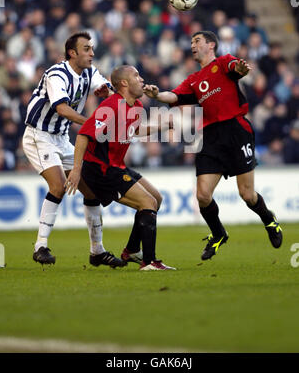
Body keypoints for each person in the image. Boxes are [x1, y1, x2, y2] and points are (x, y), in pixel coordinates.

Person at [144, 31, 282, 261]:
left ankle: (269, 219)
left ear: (211, 45)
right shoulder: (193, 80)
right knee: (202, 195)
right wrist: (157, 94)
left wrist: (242, 69)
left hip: (236, 131)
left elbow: (237, 68)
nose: (192, 45)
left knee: (247, 194)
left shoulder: (223, 62)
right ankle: (218, 234)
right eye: (190, 42)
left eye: (197, 41)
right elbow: (174, 97)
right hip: (210, 136)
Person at [23, 31, 126, 269]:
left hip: (61, 138)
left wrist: (111, 93)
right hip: (39, 135)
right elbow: (62, 109)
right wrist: (92, 124)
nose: (92, 53)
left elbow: (109, 90)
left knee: (92, 191)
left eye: (92, 48)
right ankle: (40, 246)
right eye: (87, 49)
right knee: (58, 185)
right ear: (73, 53)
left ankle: (97, 251)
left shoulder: (89, 73)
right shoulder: (56, 74)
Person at [65, 65, 176, 271]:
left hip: (116, 166)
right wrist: (76, 169)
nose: (142, 79)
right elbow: (83, 134)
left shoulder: (137, 108)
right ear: (124, 83)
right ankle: (149, 262)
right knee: (148, 202)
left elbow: (134, 130)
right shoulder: (111, 105)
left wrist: (162, 125)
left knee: (156, 199)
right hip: (100, 170)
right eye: (136, 75)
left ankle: (133, 250)